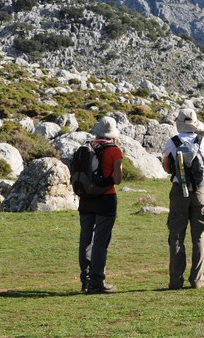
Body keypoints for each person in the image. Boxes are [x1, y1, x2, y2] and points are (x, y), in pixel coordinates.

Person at [162, 108, 204, 290]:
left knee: (176, 236)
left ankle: (176, 280)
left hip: (178, 191)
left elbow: (167, 168)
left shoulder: (172, 142)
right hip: (200, 191)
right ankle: (197, 279)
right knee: (199, 236)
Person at [78, 116, 123, 294]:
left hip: (86, 198)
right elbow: (117, 180)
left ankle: (86, 279)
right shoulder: (114, 150)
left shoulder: (87, 146)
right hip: (105, 198)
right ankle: (97, 282)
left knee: (85, 240)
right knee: (100, 242)